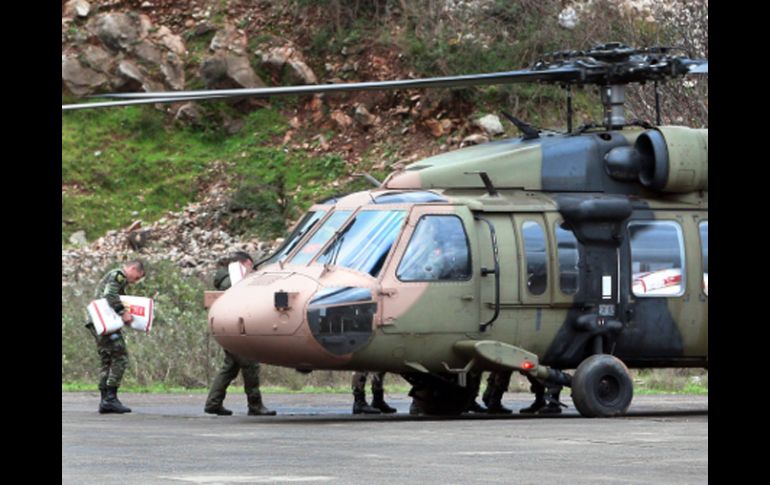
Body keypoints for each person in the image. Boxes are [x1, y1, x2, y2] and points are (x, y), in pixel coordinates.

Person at [204, 251, 276, 416]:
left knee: (230, 367)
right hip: (238, 329)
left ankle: (213, 402)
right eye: (251, 266)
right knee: (250, 365)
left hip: (227, 329)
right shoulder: (235, 281)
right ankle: (255, 405)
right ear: (245, 263)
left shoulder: (225, 280)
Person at [85, 260, 146, 414]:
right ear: (132, 269)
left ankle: (105, 400)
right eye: (136, 277)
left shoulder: (116, 277)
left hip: (97, 322)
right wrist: (122, 312)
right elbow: (110, 294)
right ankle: (110, 398)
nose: (135, 281)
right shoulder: (118, 276)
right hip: (105, 322)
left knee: (107, 358)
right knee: (120, 357)